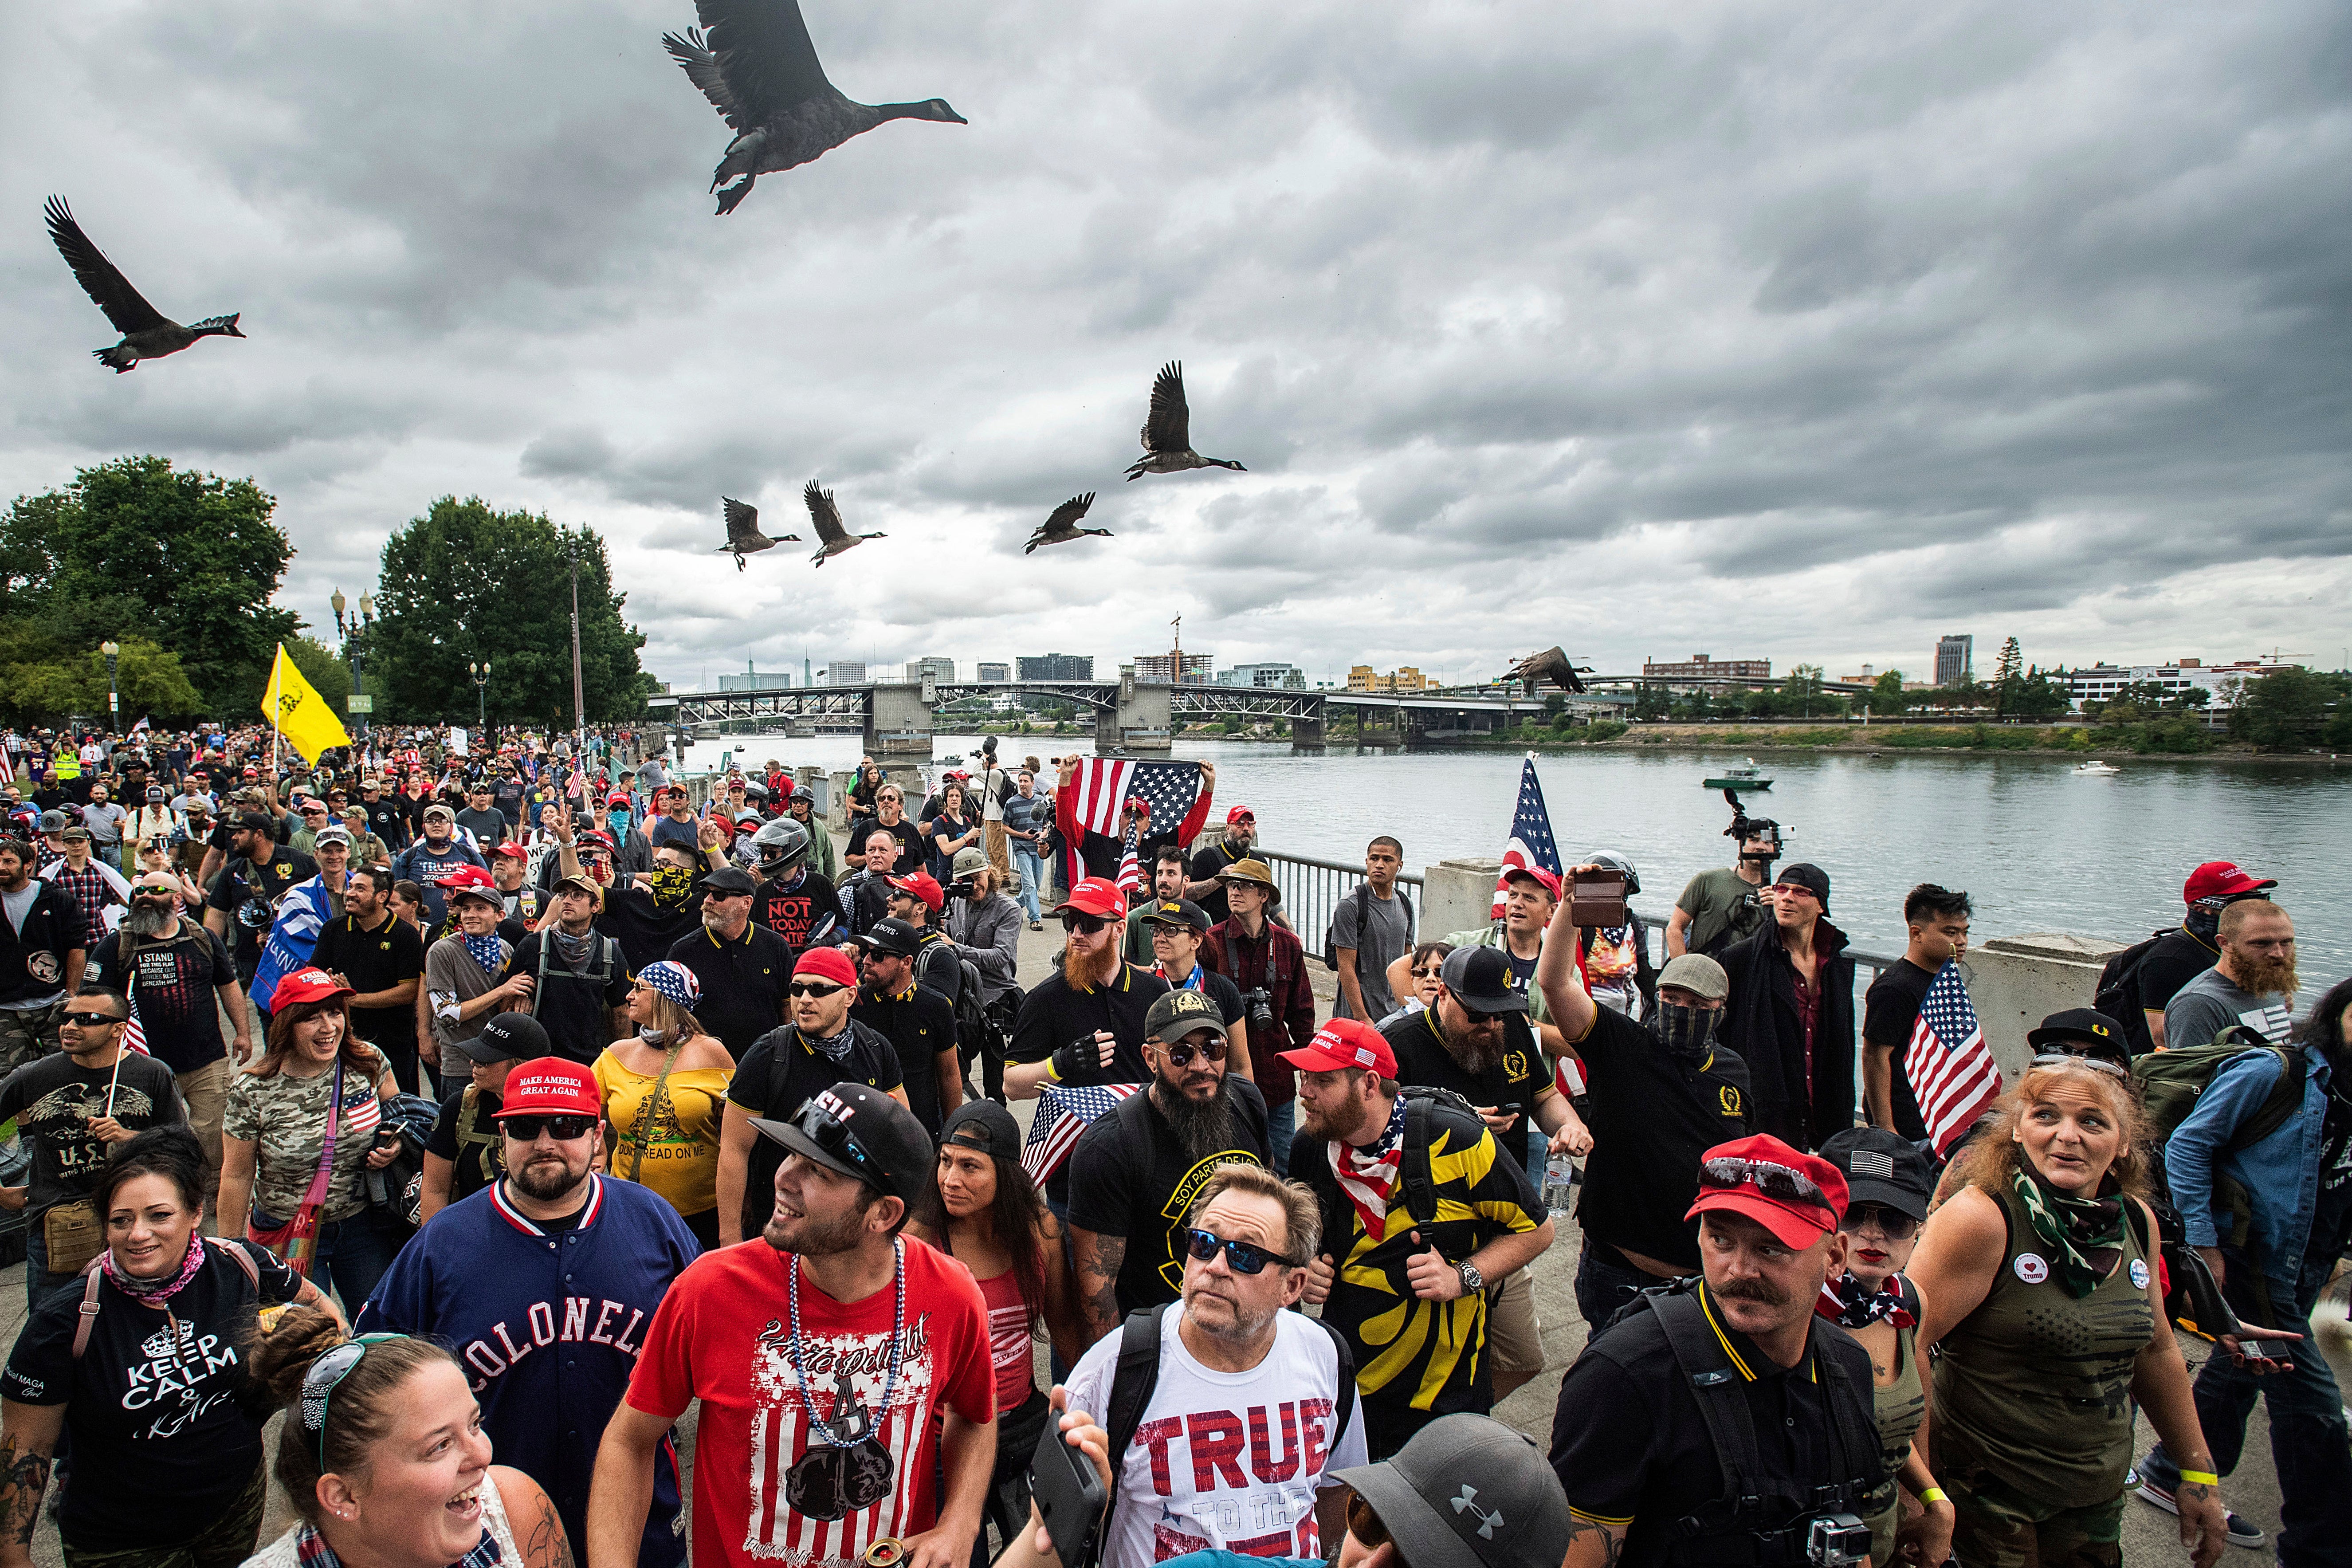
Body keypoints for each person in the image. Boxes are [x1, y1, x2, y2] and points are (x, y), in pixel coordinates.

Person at [588, 1081, 997, 1568]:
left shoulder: (950, 1294)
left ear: (882, 1213)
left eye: (818, 1172)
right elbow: (629, 1438)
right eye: (789, 1155)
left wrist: (960, 1524)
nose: (783, 1177)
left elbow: (974, 1416)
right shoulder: (710, 1289)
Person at [359, 1055, 701, 1568]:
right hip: (492, 1523)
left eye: (565, 1125)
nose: (544, 1142)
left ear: (597, 1136)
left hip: (642, 1513)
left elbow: (721, 1335)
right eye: (524, 1126)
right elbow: (365, 1366)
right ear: (502, 1139)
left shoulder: (651, 1220)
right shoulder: (444, 1242)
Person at [1906, 1057, 2232, 1568]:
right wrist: (1923, 1492)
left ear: (2123, 1142)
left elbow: (2156, 1348)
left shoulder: (2135, 1222)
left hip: (2093, 1493)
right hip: (1986, 1490)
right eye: (2045, 1116)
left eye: (2091, 1121)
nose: (2067, 1136)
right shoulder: (1981, 1217)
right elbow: (1906, 1344)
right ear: (2016, 1130)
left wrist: (2196, 1472)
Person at [0, 1128, 334, 1568]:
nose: (138, 1234)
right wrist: (13, 1556)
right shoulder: (65, 1320)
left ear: (195, 1213)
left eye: (158, 1215)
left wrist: (313, 1395)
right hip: (122, 1540)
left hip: (234, 1509)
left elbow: (320, 1308)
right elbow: (26, 1448)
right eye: (121, 1220)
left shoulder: (240, 1265)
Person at [1546, 1135, 1884, 1568]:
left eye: (1770, 1247)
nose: (1739, 1269)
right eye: (1721, 1240)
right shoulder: (1626, 1375)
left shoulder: (1845, 1367)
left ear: (1835, 1256)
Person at [2133, 972, 2352, 1563]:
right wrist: (2202, 1246)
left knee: (2242, 1365)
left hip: (2301, 1262)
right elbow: (2185, 1144)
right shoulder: (2271, 1073)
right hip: (2247, 1262)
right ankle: (2318, 1547)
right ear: (2337, 1016)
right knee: (2312, 1410)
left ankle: (2166, 1467)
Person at [1049, 1161, 1367, 1568]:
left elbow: (1336, 1493)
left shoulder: (1325, 1354)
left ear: (1292, 1286)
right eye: (1203, 1243)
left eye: (1246, 1255)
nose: (1215, 1267)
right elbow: (1055, 1534)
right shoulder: (1115, 1370)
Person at [1293, 1019, 1552, 1459]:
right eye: (1304, 1077)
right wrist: (1308, 1267)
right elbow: (1303, 1237)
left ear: (1369, 1085)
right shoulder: (1311, 1147)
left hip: (1446, 1392)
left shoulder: (1458, 1139)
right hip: (1351, 1387)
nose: (1304, 1092)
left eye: (1323, 1080)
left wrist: (1462, 1276)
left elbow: (1537, 1229)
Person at [1535, 884, 1756, 1339]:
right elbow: (1554, 981)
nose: (1681, 1010)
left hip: (1702, 1279)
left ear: (1719, 1010)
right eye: (1672, 999)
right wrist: (1572, 905)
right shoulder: (1620, 1045)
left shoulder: (1734, 1070)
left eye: (1696, 1005)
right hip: (1621, 1274)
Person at [1380, 945, 1586, 1400]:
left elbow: (1542, 1096)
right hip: (1428, 1232)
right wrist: (1450, 1119)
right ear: (1443, 995)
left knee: (1522, 1356)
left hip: (1502, 1227)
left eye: (1500, 1013)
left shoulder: (1507, 1026)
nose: (1491, 1025)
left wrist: (1568, 1124)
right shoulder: (1401, 1044)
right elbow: (1368, 1133)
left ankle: (1467, 1410)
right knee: (1422, 1362)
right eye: (1479, 1015)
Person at [241, 1310, 573, 1568]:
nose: (482, 1454)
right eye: (440, 1445)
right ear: (343, 1495)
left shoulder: (514, 1510)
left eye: (474, 1424)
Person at [911, 1100, 1082, 1563]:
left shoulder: (1039, 1231)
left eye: (970, 1166)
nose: (950, 1179)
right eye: (945, 1161)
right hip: (943, 1435)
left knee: (1039, 1552)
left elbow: (1064, 1323)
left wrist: (1086, 1407)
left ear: (1004, 1174)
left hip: (1021, 1424)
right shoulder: (920, 1243)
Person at [1068, 989, 1272, 1344]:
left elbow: (1271, 1203)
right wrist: (1123, 1377)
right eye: (1181, 1053)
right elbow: (1096, 1293)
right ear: (1150, 1058)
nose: (1200, 1065)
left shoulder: (1246, 1101)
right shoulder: (1109, 1148)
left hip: (1251, 1329)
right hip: (1165, 1343)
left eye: (1213, 1048)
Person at [218, 968, 403, 1309]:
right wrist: (231, 1252)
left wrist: (396, 1144)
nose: (328, 1027)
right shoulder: (253, 1090)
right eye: (312, 1017)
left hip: (363, 1228)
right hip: (286, 1232)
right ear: (286, 1024)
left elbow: (402, 1117)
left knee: (382, 1324)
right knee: (306, 1337)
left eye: (334, 1012)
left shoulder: (367, 1062)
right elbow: (236, 1174)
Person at [1815, 1128, 1954, 1567]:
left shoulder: (1908, 1302)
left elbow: (1897, 1424)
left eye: (1893, 1219)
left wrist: (1929, 1497)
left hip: (1883, 1530)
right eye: (1851, 1213)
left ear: (1919, 1227)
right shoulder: (1794, 1314)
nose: (1871, 1234)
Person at [0, 986, 187, 1311]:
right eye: (66, 1017)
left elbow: (183, 1143)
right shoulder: (34, 1076)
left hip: (138, 1223)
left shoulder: (152, 1073)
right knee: (54, 1330)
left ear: (118, 1029)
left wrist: (128, 1136)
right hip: (60, 1226)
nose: (70, 1027)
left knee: (143, 1325)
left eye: (86, 1019)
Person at [715, 948, 906, 1246]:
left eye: (819, 989)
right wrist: (729, 1239)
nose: (804, 1000)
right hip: (783, 1220)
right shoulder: (768, 1055)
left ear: (849, 996)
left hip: (853, 1227)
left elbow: (898, 1137)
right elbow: (734, 1149)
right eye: (796, 988)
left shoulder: (876, 1049)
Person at [1005, 880, 1173, 1213]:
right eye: (1071, 923)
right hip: (1074, 1178)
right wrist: (1061, 1064)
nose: (1077, 934)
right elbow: (1011, 1085)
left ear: (1119, 929)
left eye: (1092, 923)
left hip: (1146, 1168)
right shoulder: (1045, 998)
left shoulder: (1154, 993)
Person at [84, 870, 247, 1186]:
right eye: (139, 891)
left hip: (205, 1060)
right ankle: (154, 1189)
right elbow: (90, 998)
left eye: (156, 890)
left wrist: (242, 1032)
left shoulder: (201, 938)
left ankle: (208, 1191)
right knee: (146, 1138)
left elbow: (229, 986)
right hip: (142, 1067)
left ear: (177, 899)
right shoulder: (116, 945)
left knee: (213, 1135)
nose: (145, 896)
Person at [595, 961, 736, 1250]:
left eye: (638, 988)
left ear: (664, 997)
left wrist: (738, 1202)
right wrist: (596, 1154)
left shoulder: (713, 1053)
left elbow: (736, 1134)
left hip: (702, 1214)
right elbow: (582, 1110)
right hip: (632, 1209)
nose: (628, 996)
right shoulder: (617, 1054)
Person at [1719, 863, 1855, 1152]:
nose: (1787, 898)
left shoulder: (1835, 965)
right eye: (1781, 889)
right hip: (1764, 1112)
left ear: (1821, 904)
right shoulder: (1741, 959)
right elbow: (1722, 1037)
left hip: (1820, 1105)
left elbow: (1843, 1046)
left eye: (1800, 892)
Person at [1202, 859, 1313, 1175]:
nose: (1234, 891)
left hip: (1275, 1076)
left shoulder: (1287, 945)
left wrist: (1307, 1067)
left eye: (1244, 885)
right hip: (1224, 1076)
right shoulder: (1211, 941)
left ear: (1264, 895)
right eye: (1231, 885)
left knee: (1281, 1165)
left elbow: (1302, 1014)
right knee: (1227, 1167)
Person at [1860, 883, 1971, 1140]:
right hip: (1908, 1118)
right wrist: (1885, 1126)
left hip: (1939, 1111)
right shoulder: (1895, 988)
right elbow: (1875, 1057)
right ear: (1917, 933)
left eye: (1965, 933)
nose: (1961, 942)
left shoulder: (1944, 977)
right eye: (1951, 933)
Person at [2131, 862, 2277, 1052]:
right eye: (2239, 905)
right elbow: (2163, 1037)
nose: (2253, 913)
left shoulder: (2228, 950)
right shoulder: (2170, 960)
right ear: (2202, 909)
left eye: (2259, 901)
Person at [420, 1012, 549, 1223]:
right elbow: (436, 1190)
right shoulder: (460, 1106)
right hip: (472, 1233)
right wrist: (435, 1247)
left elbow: (597, 1155)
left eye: (485, 1060)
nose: (473, 1062)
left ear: (521, 1066)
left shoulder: (559, 1110)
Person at [310, 863, 428, 1092]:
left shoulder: (405, 935)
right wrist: (328, 985)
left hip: (393, 1044)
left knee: (397, 1107)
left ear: (382, 896)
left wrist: (353, 999)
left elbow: (410, 991)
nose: (350, 893)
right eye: (351, 887)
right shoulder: (333, 929)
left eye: (360, 889)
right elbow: (315, 973)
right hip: (343, 1039)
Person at [499, 867, 631, 1065]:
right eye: (562, 895)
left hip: (589, 1064)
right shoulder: (533, 945)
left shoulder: (610, 953)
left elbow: (621, 1017)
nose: (567, 900)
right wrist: (522, 995)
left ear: (596, 906)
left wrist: (622, 1067)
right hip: (537, 1062)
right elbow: (503, 1005)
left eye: (578, 895)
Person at [666, 864, 792, 1058]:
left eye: (719, 895)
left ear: (746, 903)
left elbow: (786, 1007)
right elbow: (671, 1015)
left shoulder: (776, 947)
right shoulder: (683, 951)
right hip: (701, 1062)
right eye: (706, 893)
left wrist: (784, 1056)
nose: (708, 901)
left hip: (763, 1060)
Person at [851, 917, 962, 1135]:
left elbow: (949, 1074)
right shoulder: (853, 1003)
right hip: (863, 1130)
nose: (866, 961)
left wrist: (952, 1134)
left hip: (922, 1128)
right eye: (866, 951)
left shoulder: (936, 1006)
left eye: (878, 955)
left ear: (906, 962)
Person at [425, 867, 521, 1092]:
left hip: (500, 1068)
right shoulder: (442, 951)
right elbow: (447, 1015)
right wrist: (502, 992)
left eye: (481, 908)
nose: (470, 914)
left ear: (500, 915)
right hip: (461, 1067)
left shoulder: (505, 950)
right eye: (466, 908)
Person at [0, 835, 87, 1073]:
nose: (2, 868)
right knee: (9, 1079)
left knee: (65, 1070)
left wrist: (71, 993)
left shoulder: (56, 898)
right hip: (6, 1007)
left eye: (9, 862)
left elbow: (77, 948)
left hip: (52, 1001)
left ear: (28, 864)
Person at [1139, 897, 1250, 1076]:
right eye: (1157, 930)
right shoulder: (1142, 989)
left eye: (1171, 931)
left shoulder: (1224, 990)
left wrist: (1245, 1102)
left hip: (1209, 1091)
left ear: (1196, 941)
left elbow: (1240, 1065)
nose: (1160, 938)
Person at [2164, 899, 2296, 1049]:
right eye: (2261, 944)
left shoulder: (2267, 980)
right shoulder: (2199, 1004)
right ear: (2224, 943)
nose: (2278, 954)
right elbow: (2192, 1071)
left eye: (2286, 942)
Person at [1665, 816, 1782, 959]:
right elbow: (1674, 928)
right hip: (1704, 969)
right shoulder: (1708, 880)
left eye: (1768, 842)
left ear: (1777, 848)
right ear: (1742, 844)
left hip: (1751, 976)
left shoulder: (1782, 895)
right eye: (1754, 840)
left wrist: (1779, 907)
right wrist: (1682, 969)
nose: (1761, 847)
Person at [1332, 836, 1413, 1023]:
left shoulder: (1405, 904)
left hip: (1394, 1013)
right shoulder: (1351, 905)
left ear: (1399, 865)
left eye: (1387, 859)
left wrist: (1409, 1009)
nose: (1379, 865)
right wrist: (1363, 1018)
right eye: (1374, 858)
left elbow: (1408, 961)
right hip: (1357, 1016)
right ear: (1366, 861)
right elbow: (1345, 968)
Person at [389, 802, 485, 930]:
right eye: (431, 821)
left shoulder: (468, 854)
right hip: (420, 928)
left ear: (451, 826)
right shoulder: (409, 856)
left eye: (442, 821)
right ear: (424, 826)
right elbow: (393, 892)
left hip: (462, 928)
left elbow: (486, 889)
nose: (437, 825)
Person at [750, 816, 841, 950]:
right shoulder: (762, 892)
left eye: (772, 852)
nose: (766, 858)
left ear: (792, 851)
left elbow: (844, 926)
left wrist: (823, 943)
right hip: (777, 966)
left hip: (812, 964)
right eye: (764, 852)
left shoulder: (821, 884)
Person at [1184, 804, 1256, 927]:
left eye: (1250, 824)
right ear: (1228, 828)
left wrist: (1290, 931)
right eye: (1239, 824)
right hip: (1213, 932)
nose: (1246, 828)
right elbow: (1185, 893)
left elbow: (1270, 900)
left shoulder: (1258, 861)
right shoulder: (1207, 857)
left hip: (1247, 933)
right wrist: (1218, 880)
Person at [1121, 849, 1192, 966]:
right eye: (1160, 873)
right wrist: (1149, 973)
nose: (1163, 879)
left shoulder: (1201, 918)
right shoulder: (1135, 918)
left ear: (1186, 880)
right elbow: (1121, 963)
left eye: (1171, 873)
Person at [1003, 770, 1048, 929]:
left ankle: (1015, 904)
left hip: (1038, 848)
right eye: (1020, 781)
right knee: (1029, 884)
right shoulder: (1011, 803)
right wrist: (1020, 835)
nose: (1022, 784)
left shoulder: (1041, 801)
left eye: (1025, 781)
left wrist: (1043, 834)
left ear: (1032, 783)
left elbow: (1047, 826)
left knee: (1035, 883)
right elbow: (1004, 827)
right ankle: (1035, 918)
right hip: (1021, 847)